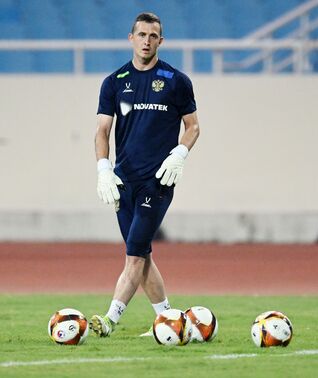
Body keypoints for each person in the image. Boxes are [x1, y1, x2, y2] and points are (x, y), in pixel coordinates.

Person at [92, 12, 200, 337]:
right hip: (122, 183)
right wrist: (103, 169)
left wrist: (180, 153)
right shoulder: (114, 82)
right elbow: (101, 131)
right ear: (131, 38)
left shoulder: (176, 80)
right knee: (142, 255)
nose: (146, 41)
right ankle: (168, 319)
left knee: (135, 254)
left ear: (161, 41)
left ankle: (109, 321)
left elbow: (193, 126)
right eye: (141, 35)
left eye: (153, 36)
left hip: (158, 181)